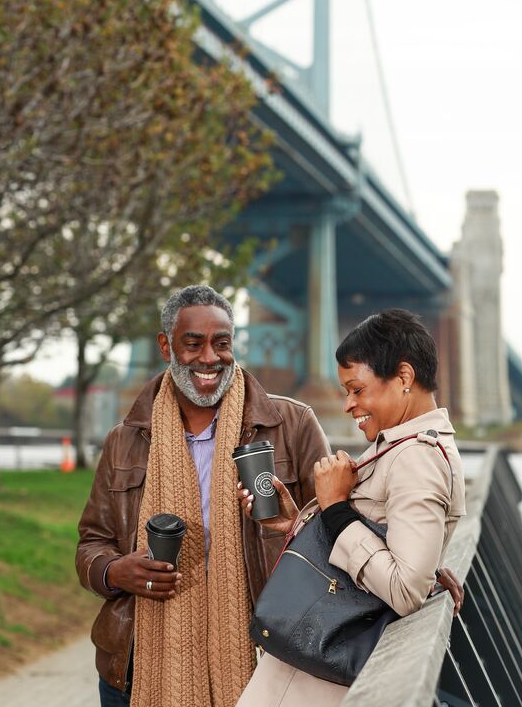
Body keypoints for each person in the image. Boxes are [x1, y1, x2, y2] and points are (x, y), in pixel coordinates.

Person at [75, 285, 331, 707]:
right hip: (138, 670)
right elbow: (91, 544)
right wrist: (116, 571)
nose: (210, 358)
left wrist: (413, 568)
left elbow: (337, 522)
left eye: (222, 343)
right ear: (165, 346)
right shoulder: (124, 440)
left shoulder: (292, 425)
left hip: (264, 663)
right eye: (193, 344)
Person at [236, 308, 467, 707]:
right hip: (317, 661)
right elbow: (396, 552)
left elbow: (403, 588)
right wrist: (301, 520)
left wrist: (336, 508)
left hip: (318, 679)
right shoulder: (404, 446)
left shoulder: (418, 457)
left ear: (404, 378)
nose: (348, 405)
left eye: (357, 390)